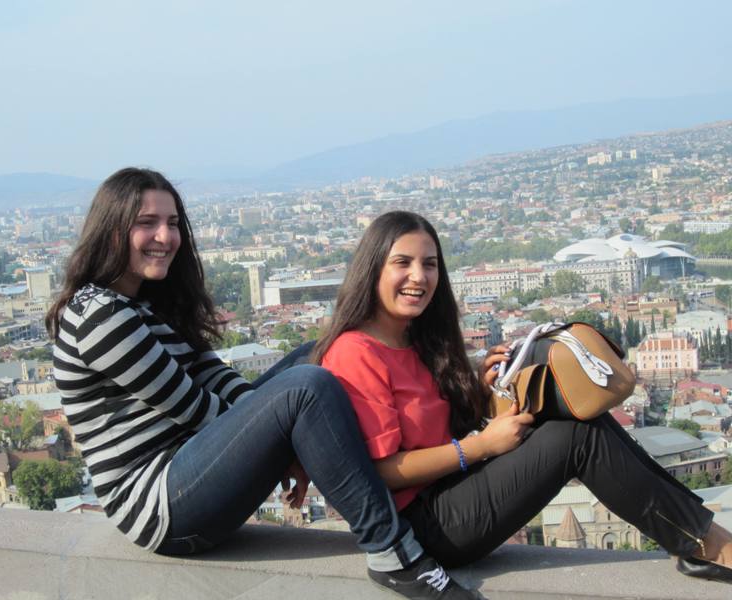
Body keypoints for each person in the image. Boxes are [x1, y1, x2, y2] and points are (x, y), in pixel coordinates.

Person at [48, 168, 482, 599]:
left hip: (194, 471)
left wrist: (299, 436)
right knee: (306, 386)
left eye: (173, 223)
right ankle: (392, 552)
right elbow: (195, 409)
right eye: (147, 223)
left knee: (321, 354)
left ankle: (414, 473)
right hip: (162, 505)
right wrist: (289, 440)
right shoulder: (98, 314)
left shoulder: (147, 303)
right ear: (111, 227)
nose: (165, 236)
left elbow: (213, 376)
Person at [313, 210, 732, 588]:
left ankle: (696, 535)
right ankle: (704, 542)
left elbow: (432, 424)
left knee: (579, 413)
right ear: (372, 269)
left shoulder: (414, 338)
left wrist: (480, 388)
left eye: (429, 264)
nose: (419, 277)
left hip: (452, 491)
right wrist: (480, 447)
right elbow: (378, 472)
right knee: (577, 439)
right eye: (402, 263)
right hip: (422, 528)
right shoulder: (355, 352)